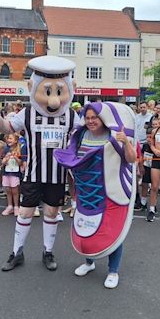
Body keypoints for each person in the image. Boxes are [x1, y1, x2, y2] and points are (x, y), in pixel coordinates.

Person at [0, 55, 79, 272]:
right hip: (33, 174)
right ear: (33, 87)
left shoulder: (71, 116)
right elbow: (8, 127)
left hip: (57, 175)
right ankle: (16, 252)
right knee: (25, 213)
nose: (54, 100)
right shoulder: (27, 113)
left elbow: (89, 131)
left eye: (60, 91)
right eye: (48, 91)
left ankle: (48, 251)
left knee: (50, 213)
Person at [54, 102, 136, 289]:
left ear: (103, 118)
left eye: (94, 117)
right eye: (88, 117)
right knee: (85, 226)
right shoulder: (80, 134)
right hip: (86, 192)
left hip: (110, 193)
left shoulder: (115, 135)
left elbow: (131, 160)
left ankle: (113, 271)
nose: (91, 121)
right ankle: (89, 262)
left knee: (114, 232)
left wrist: (125, 142)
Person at [0, 133, 23, 216]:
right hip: (6, 172)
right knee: (8, 190)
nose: (9, 140)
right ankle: (10, 206)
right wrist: (6, 158)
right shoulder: (5, 149)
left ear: (16, 140)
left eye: (10, 138)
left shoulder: (19, 149)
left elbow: (20, 163)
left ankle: (16, 206)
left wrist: (15, 157)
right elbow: (2, 162)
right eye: (8, 138)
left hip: (15, 173)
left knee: (15, 190)